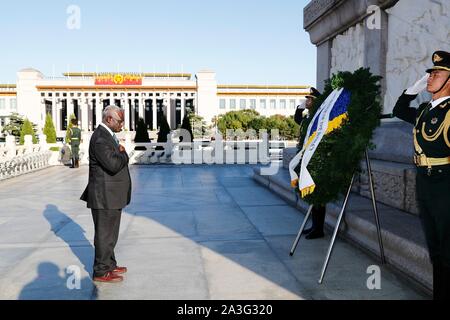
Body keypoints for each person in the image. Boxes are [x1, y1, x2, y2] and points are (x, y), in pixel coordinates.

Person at [392, 50, 450, 300]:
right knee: (435, 249)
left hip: (445, 184)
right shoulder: (426, 109)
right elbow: (398, 110)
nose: (430, 77)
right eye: (430, 73)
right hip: (424, 182)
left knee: (448, 250)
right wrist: (411, 90)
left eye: (437, 73)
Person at [80, 105, 132, 283]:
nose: (122, 125)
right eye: (120, 121)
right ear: (109, 119)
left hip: (111, 194)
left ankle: (110, 264)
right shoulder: (101, 138)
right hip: (104, 195)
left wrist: (119, 152)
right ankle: (101, 271)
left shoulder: (108, 135)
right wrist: (124, 155)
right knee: (104, 234)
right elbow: (113, 164)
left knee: (111, 233)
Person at [294, 87, 326, 239]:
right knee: (312, 196)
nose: (306, 101)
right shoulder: (310, 116)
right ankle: (315, 226)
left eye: (309, 99)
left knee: (318, 196)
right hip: (308, 160)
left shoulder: (319, 118)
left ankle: (319, 229)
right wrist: (299, 110)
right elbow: (299, 121)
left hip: (316, 162)